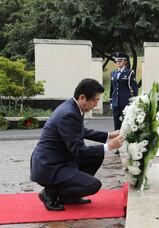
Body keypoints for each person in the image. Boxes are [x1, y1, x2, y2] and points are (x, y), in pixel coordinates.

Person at [30, 78, 124, 211]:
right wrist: (109, 146)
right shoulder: (68, 113)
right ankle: (49, 193)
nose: (96, 105)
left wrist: (109, 135)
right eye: (95, 100)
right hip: (49, 166)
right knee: (93, 185)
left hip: (59, 160)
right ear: (82, 97)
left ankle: (68, 197)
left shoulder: (72, 106)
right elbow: (79, 151)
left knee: (96, 156)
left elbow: (81, 131)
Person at [110, 52, 139, 131]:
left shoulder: (129, 73)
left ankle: (125, 141)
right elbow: (112, 88)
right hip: (115, 103)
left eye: (120, 61)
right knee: (116, 125)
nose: (118, 62)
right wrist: (111, 101)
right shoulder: (113, 73)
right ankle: (117, 141)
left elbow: (135, 88)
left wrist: (134, 101)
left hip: (125, 102)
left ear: (125, 62)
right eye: (117, 61)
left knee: (126, 124)